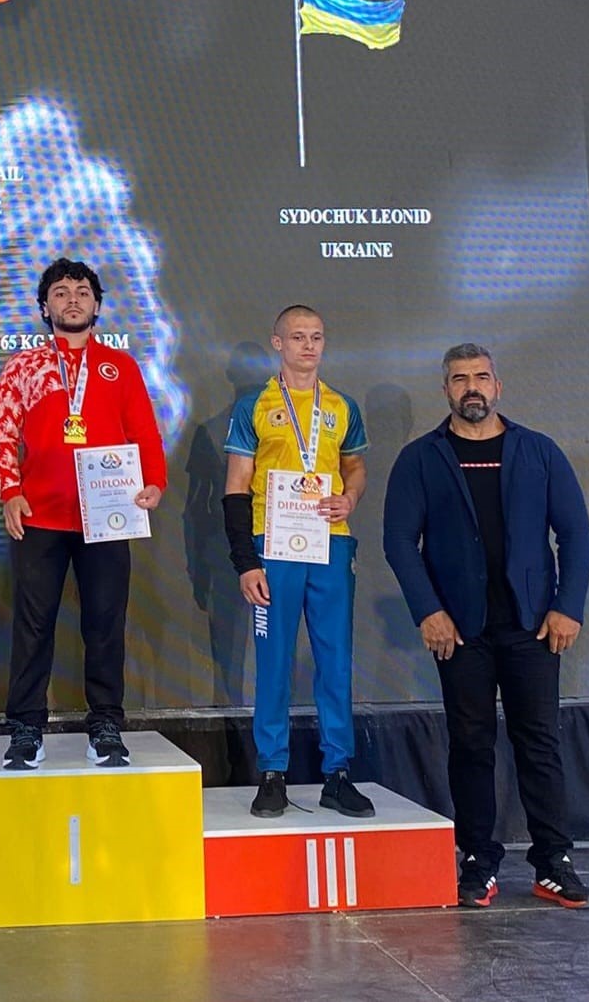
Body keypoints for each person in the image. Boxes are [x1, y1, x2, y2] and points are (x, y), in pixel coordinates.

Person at [383, 344, 589, 909]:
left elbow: (576, 535)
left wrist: (568, 606)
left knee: (540, 742)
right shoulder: (420, 458)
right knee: (471, 744)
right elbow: (399, 541)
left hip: (533, 626)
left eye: (481, 376)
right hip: (459, 631)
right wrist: (428, 611)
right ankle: (478, 859)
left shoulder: (539, 452)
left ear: (498, 386)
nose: (471, 387)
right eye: (459, 379)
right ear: (446, 390)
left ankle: (553, 862)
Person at [0, 257, 166, 770]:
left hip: (107, 517)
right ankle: (26, 728)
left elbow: (144, 432)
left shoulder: (119, 366)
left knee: (105, 623)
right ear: (45, 307)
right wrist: (10, 490)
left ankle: (105, 725)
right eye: (61, 292)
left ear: (97, 305)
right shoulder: (25, 366)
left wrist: (154, 481)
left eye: (83, 291)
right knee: (33, 626)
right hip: (40, 517)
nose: (72, 299)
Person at [222, 305, 374, 818]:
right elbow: (236, 487)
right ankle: (272, 772)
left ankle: (338, 772)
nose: (308, 346)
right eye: (298, 337)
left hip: (330, 543)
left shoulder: (342, 405)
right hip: (273, 547)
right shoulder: (255, 406)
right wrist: (246, 562)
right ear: (278, 343)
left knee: (335, 659)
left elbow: (355, 467)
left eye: (316, 337)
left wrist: (350, 497)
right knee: (274, 661)